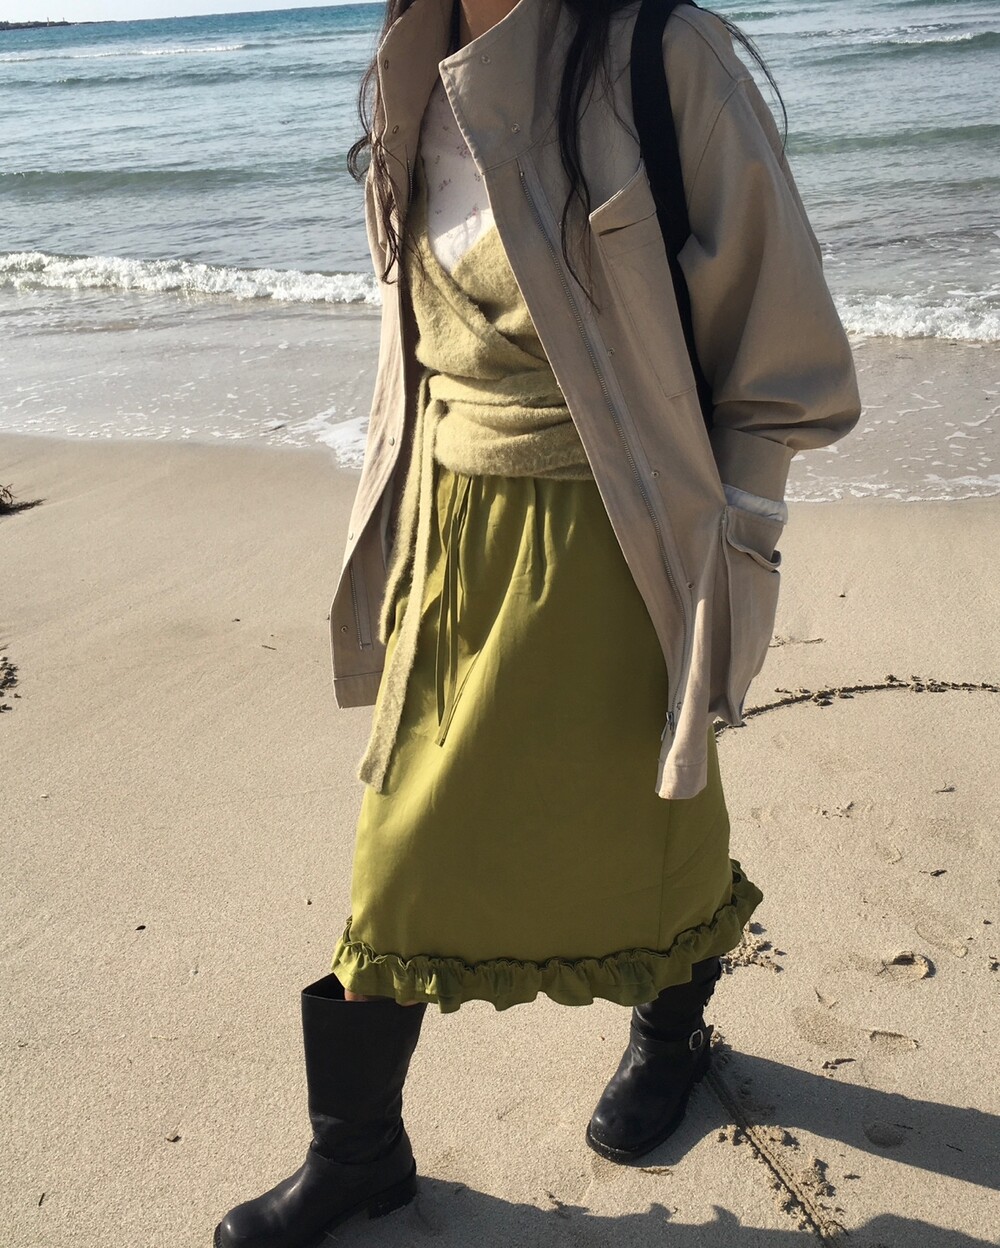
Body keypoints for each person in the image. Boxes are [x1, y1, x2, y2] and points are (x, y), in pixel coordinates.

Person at [214, 0, 860, 1243]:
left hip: (622, 534)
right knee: (400, 848)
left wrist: (732, 546)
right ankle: (358, 1152)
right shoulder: (407, 70)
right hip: (449, 525)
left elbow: (780, 344)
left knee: (656, 813)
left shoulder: (662, 57)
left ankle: (668, 1040)